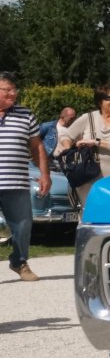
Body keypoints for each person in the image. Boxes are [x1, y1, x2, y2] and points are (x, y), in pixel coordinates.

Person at [0, 72, 50, 282]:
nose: (13, 94)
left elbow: (37, 146)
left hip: (17, 180)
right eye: (7, 90)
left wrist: (44, 174)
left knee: (22, 225)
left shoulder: (25, 114)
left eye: (14, 90)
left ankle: (19, 262)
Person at [57, 84, 110, 209]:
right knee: (91, 220)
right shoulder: (88, 118)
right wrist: (70, 150)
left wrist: (97, 142)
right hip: (88, 183)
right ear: (100, 101)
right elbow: (65, 136)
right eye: (109, 98)